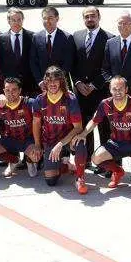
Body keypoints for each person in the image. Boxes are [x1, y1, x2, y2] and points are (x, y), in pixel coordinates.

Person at [73, 76, 131, 191]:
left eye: (120, 89)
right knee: (96, 158)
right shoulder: (105, 104)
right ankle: (118, 171)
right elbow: (94, 121)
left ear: (126, 89)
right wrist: (83, 134)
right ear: (110, 90)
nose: (117, 92)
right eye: (114, 89)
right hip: (116, 143)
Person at [71, 6, 114, 171]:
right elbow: (72, 65)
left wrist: (94, 85)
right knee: (83, 127)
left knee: (104, 127)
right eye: (87, 16)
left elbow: (109, 67)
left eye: (93, 16)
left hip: (100, 91)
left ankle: (104, 162)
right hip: (80, 92)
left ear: (99, 17)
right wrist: (77, 82)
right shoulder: (76, 37)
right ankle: (86, 159)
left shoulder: (110, 38)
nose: (90, 19)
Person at [32, 66, 87, 194]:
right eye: (49, 80)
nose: (52, 84)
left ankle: (80, 178)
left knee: (80, 143)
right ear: (45, 82)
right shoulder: (39, 100)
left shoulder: (70, 99)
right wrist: (37, 145)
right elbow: (36, 123)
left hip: (67, 140)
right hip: (50, 140)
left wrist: (61, 144)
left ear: (61, 81)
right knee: (51, 181)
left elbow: (78, 127)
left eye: (56, 80)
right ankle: (64, 164)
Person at [0, 77, 41, 178]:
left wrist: (39, 143)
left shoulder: (29, 103)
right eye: (7, 90)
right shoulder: (0, 104)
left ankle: (29, 161)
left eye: (14, 90)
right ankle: (14, 161)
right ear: (4, 91)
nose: (10, 93)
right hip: (11, 139)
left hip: (28, 139)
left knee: (35, 156)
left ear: (20, 90)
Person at [101, 11, 131, 100]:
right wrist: (115, 85)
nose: (123, 26)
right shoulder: (110, 43)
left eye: (126, 23)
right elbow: (104, 69)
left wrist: (125, 85)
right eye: (120, 23)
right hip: (114, 94)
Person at [30, 6, 75, 91]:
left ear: (57, 19)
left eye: (50, 18)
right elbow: (33, 61)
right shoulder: (36, 37)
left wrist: (55, 81)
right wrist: (40, 81)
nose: (47, 21)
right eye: (44, 18)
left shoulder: (67, 37)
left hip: (61, 84)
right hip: (42, 85)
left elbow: (68, 63)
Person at [0, 8, 36, 96]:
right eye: (13, 20)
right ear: (8, 21)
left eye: (19, 20)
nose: (16, 23)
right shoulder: (0, 39)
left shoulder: (33, 37)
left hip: (30, 85)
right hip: (11, 87)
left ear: (23, 20)